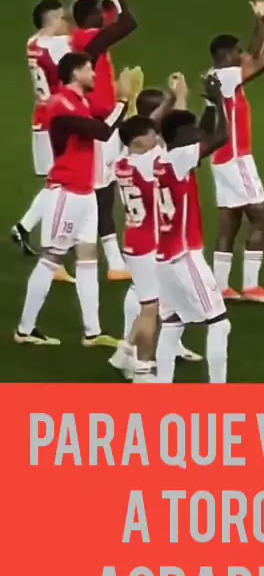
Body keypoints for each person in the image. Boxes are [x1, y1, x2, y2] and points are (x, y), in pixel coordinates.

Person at [15, 52, 129, 347]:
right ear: (75, 72)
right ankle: (25, 330)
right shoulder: (61, 104)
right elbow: (102, 132)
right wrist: (124, 100)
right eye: (90, 70)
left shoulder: (81, 102)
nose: (94, 74)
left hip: (85, 194)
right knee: (51, 260)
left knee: (88, 261)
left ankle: (93, 332)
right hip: (66, 193)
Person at [117, 77, 201, 368]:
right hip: (149, 244)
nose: (156, 137)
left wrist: (168, 100)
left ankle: (124, 354)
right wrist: (180, 99)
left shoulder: (124, 159)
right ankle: (143, 368)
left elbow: (147, 127)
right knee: (150, 308)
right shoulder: (149, 162)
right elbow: (176, 138)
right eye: (151, 136)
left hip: (133, 239)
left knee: (153, 300)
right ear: (141, 142)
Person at [155, 73, 231, 384]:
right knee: (219, 323)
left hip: (162, 259)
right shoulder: (179, 158)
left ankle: (161, 386)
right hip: (184, 256)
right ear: (180, 136)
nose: (198, 134)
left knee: (172, 324)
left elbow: (206, 135)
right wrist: (220, 101)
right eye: (192, 131)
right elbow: (221, 137)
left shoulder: (160, 158)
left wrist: (209, 105)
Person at [71, 0, 138, 280]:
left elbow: (114, 14)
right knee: (101, 194)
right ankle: (111, 262)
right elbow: (128, 22)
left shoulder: (88, 36)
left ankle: (115, 260)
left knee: (107, 189)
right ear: (89, 20)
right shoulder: (89, 42)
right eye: (98, 14)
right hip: (100, 124)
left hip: (108, 121)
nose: (103, 16)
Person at [210, 0, 264, 303]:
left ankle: (220, 285)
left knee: (230, 222)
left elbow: (252, 53)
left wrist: (259, 22)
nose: (242, 55)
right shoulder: (226, 77)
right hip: (236, 159)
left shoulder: (217, 76)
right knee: (261, 219)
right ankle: (251, 286)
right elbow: (263, 60)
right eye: (236, 52)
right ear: (225, 55)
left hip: (222, 159)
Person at [11, 0, 76, 283]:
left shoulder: (33, 42)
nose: (66, 22)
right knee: (61, 183)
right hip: (57, 122)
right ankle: (52, 252)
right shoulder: (58, 46)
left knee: (55, 182)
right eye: (61, 18)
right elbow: (82, 44)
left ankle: (24, 227)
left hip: (41, 118)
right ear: (51, 20)